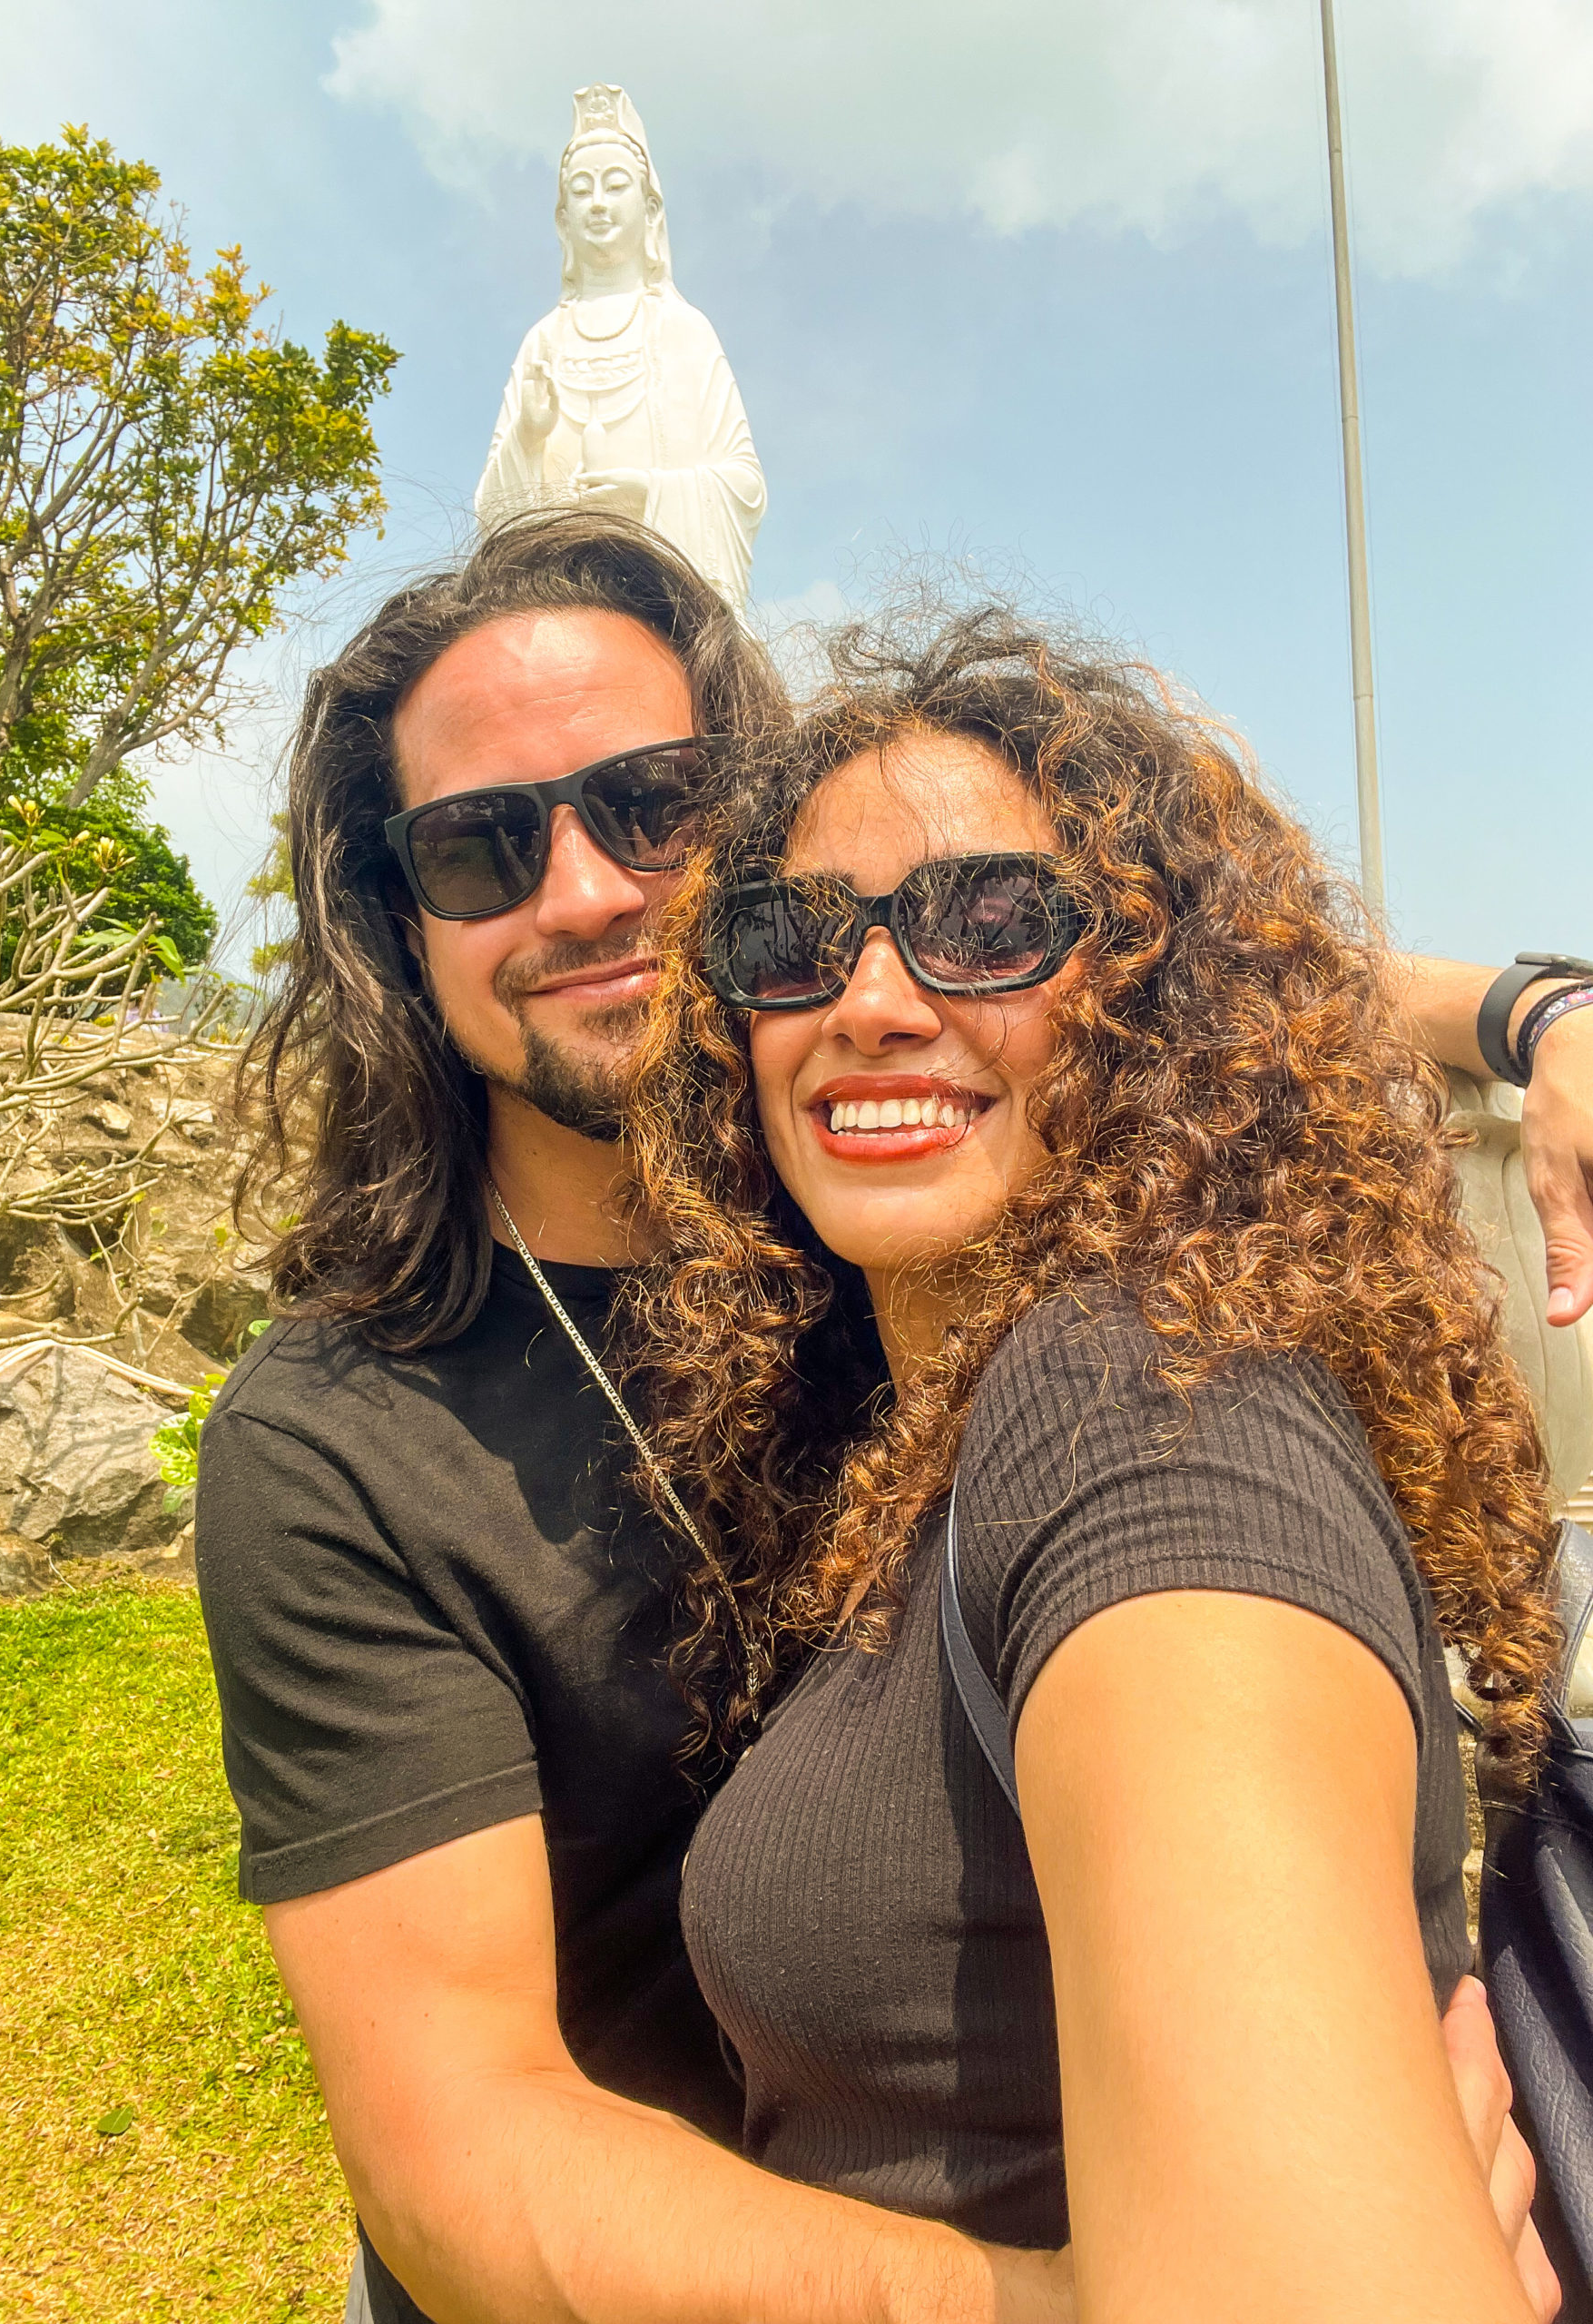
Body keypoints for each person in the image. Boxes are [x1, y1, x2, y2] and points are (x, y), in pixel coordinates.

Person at [194, 509, 1590, 2324]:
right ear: (398, 921)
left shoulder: (973, 1260)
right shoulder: (342, 1434)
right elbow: (469, 2155)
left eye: (652, 805)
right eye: (479, 846)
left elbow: (1188, 947)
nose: (588, 891)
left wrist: (1536, 1009)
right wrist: (1060, 2296)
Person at [622, 603, 1575, 2322]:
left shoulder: (1132, 1397)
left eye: (991, 921)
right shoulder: (906, 1447)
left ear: (1157, 1001)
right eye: (790, 939)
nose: (873, 1000)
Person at [475, 84, 767, 608]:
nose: (599, 205)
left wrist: (650, 495)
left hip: (665, 608)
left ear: (651, 210)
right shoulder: (544, 339)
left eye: (615, 186)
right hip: (559, 610)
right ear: (562, 220)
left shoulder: (684, 329)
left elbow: (745, 486)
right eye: (581, 191)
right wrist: (527, 437)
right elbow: (490, 514)